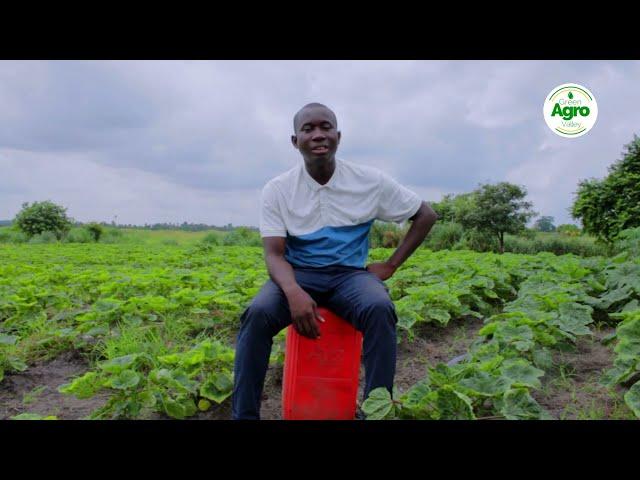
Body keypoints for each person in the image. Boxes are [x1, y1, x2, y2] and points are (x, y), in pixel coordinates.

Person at [231, 102, 438, 420]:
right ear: (294, 140)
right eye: (308, 129)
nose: (317, 134)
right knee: (257, 314)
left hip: (350, 276)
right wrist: (294, 292)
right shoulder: (278, 189)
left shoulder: (370, 181)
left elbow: (425, 214)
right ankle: (244, 415)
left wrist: (392, 264)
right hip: (298, 273)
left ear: (338, 136)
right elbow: (274, 254)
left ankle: (375, 412)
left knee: (380, 310)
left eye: (325, 127)